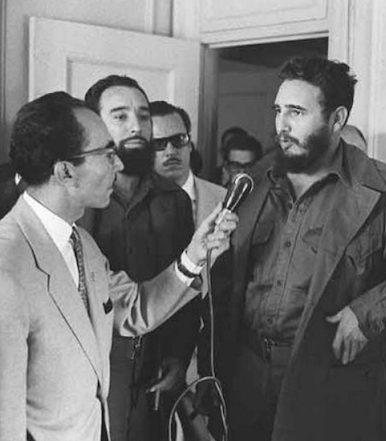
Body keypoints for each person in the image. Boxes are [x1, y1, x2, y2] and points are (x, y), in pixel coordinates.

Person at [206, 56, 386, 441]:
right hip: (246, 376)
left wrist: (368, 312)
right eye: (278, 110)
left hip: (330, 383)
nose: (281, 125)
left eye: (296, 112)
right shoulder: (254, 181)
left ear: (336, 119)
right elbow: (225, 281)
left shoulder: (385, 191)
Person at [0, 91, 237, 441]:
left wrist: (195, 255)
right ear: (65, 171)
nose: (120, 164)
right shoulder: (7, 266)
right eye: (106, 154)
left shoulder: (83, 244)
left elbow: (133, 308)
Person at [83, 75, 198, 441]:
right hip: (94, 369)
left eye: (143, 115)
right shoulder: (80, 198)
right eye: (120, 116)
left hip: (154, 368)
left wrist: (180, 356)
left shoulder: (175, 200)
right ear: (93, 125)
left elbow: (186, 288)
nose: (136, 125)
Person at [150, 100, 226, 227]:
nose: (171, 151)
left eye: (178, 140)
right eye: (158, 144)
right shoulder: (133, 206)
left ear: (190, 144)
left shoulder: (224, 199)